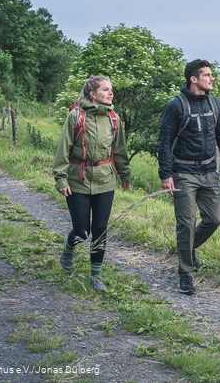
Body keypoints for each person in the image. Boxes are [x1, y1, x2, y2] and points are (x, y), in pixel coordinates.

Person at [158, 59, 220, 295]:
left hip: (209, 172)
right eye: (207, 75)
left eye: (211, 75)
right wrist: (166, 174)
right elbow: (164, 142)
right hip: (183, 173)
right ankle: (185, 273)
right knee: (186, 223)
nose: (212, 79)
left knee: (215, 219)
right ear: (194, 79)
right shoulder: (177, 105)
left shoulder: (215, 104)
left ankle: (190, 247)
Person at [52, 75, 131, 292]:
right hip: (78, 180)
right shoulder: (75, 116)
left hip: (105, 180)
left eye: (111, 89)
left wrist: (125, 175)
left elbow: (120, 150)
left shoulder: (114, 118)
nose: (110, 93)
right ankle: (70, 245)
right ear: (92, 94)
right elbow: (63, 148)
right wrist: (60, 178)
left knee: (100, 229)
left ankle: (96, 275)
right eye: (105, 89)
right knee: (81, 231)